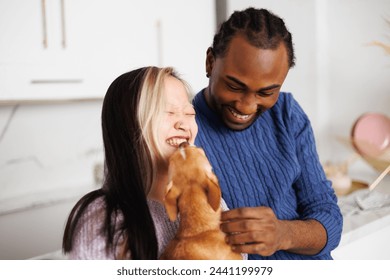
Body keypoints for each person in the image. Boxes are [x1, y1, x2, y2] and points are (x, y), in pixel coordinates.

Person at [193, 7, 343, 260]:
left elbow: (330, 220)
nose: (246, 106)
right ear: (210, 62)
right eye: (234, 86)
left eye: (266, 93)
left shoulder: (287, 113)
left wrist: (282, 233)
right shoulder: (183, 128)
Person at [62, 66, 198, 259]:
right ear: (129, 124)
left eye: (190, 113)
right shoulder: (104, 221)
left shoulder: (208, 200)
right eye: (168, 112)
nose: (183, 124)